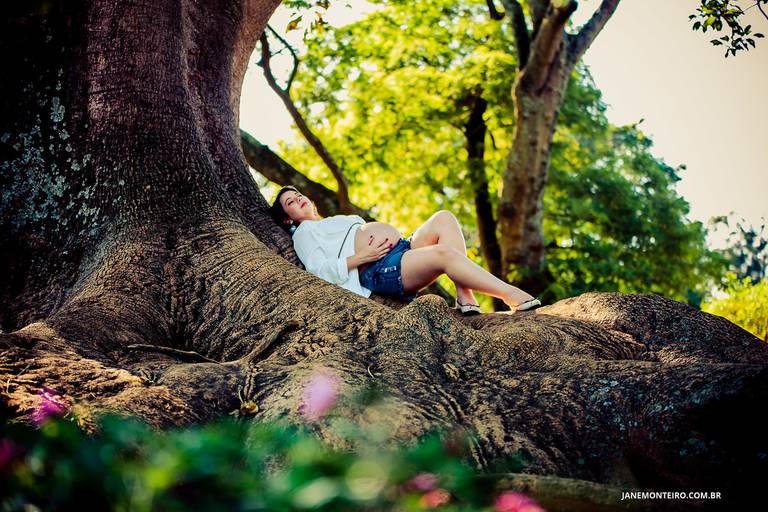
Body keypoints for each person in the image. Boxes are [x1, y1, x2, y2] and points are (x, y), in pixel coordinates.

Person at [269, 185, 541, 314]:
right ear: (287, 218)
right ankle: (510, 294)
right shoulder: (304, 234)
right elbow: (319, 271)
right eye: (291, 202)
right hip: (375, 269)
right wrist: (361, 257)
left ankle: (464, 294)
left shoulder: (333, 221)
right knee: (442, 255)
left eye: (299, 195)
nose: (299, 199)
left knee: (444, 218)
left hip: (399, 251)